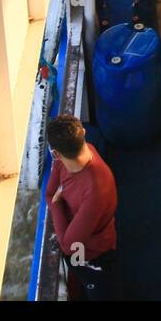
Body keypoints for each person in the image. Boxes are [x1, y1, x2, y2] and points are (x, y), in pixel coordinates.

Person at [45, 114, 119, 300]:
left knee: (99, 291)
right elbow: (49, 192)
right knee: (81, 280)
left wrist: (56, 204)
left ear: (55, 153)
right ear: (83, 134)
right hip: (78, 242)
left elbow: (70, 246)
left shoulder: (95, 190)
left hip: (94, 256)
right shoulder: (81, 152)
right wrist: (54, 200)